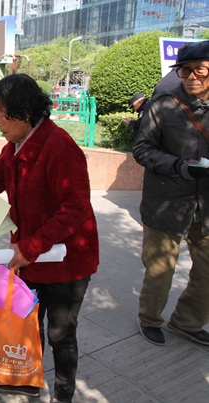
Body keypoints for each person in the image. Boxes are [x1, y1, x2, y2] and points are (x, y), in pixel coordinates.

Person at [0, 74, 99, 400]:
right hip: (30, 254)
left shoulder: (59, 147)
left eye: (2, 114)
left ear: (25, 111)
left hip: (65, 259)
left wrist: (31, 247)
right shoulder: (16, 144)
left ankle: (63, 395)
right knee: (27, 321)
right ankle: (27, 379)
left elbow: (75, 208)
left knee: (60, 335)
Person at [132, 40, 209, 347]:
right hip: (166, 203)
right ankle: (149, 319)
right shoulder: (163, 105)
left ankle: (187, 322)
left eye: (199, 70)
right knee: (160, 270)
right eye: (185, 71)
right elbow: (142, 150)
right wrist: (178, 166)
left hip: (205, 205)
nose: (191, 77)